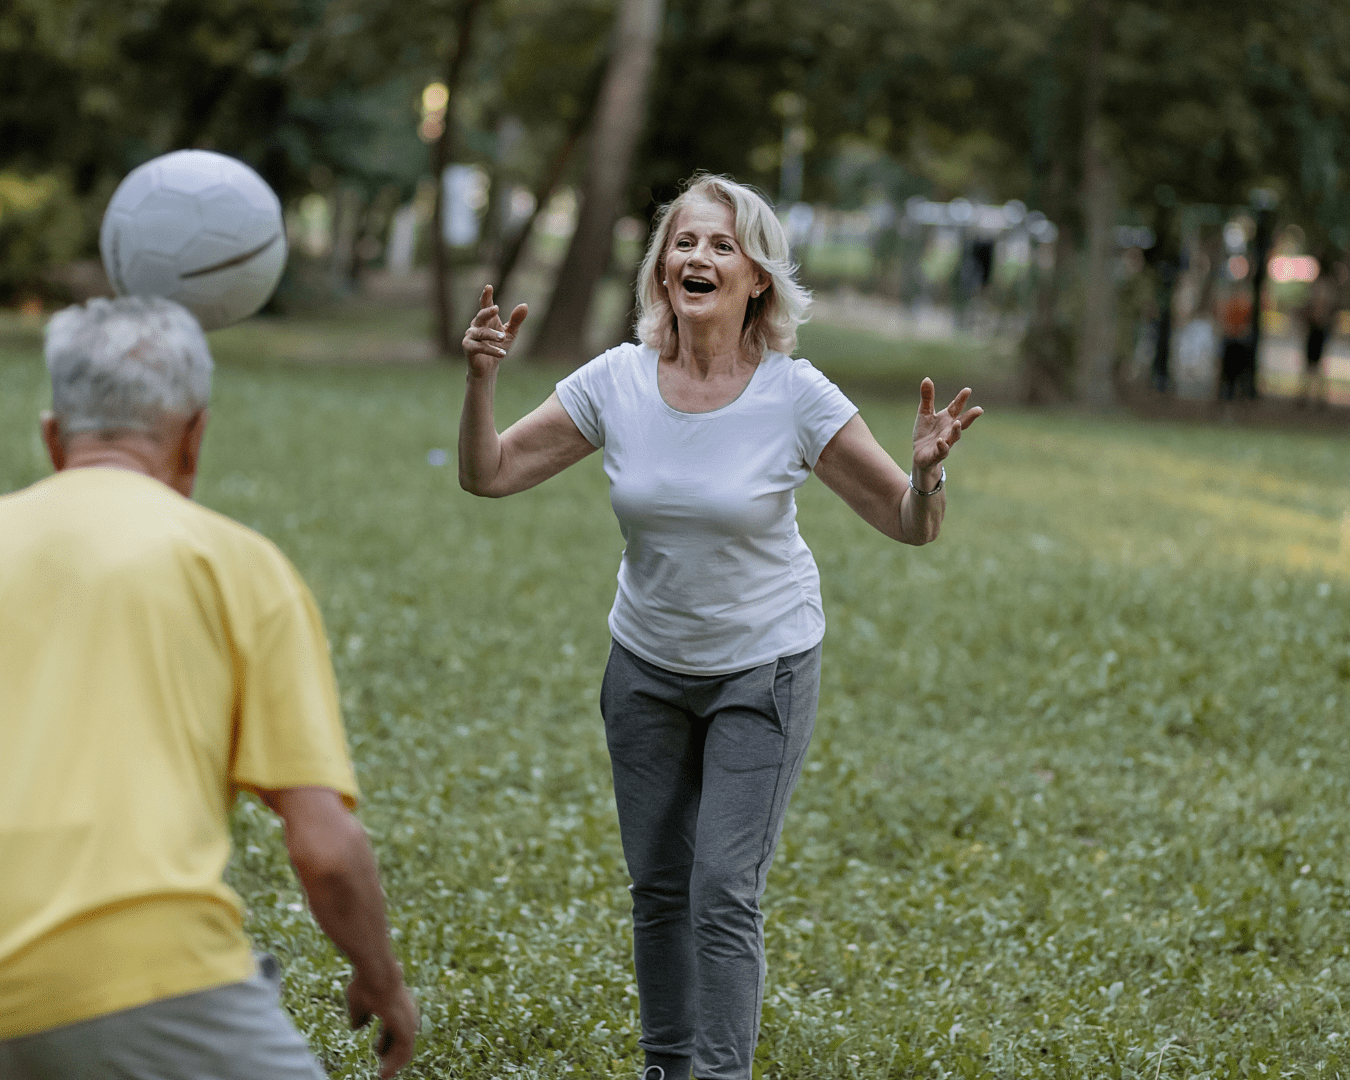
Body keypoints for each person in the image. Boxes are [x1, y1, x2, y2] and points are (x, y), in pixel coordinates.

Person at [457, 174, 981, 1080]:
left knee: (724, 890)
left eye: (721, 245)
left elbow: (909, 524)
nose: (697, 257)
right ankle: (668, 1067)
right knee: (660, 890)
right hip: (645, 666)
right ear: (664, 267)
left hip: (762, 667)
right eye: (684, 242)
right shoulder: (616, 381)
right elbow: (489, 473)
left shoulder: (796, 396)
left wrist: (927, 475)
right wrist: (481, 381)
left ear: (758, 278)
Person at [0, 297, 418, 1079]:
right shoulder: (238, 567)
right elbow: (324, 848)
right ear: (194, 438)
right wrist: (382, 978)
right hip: (148, 978)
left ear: (53, 438)